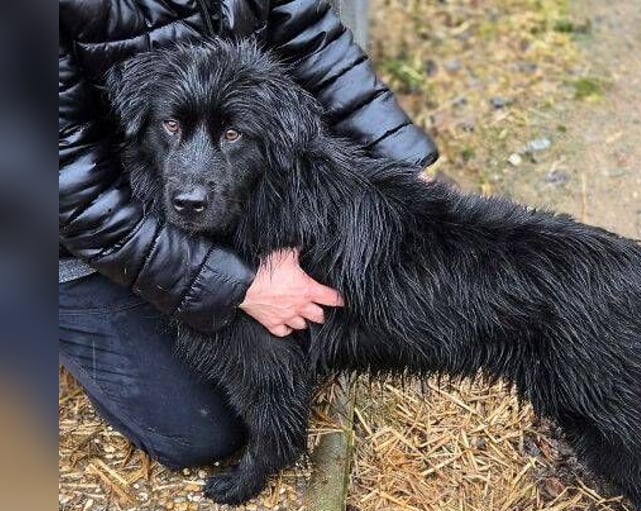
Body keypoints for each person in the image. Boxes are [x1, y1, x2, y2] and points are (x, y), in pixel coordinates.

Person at [59, 0, 438, 469]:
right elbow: (66, 186)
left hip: (209, 159)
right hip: (75, 226)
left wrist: (401, 163)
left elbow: (309, 34)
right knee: (202, 433)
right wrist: (239, 284)